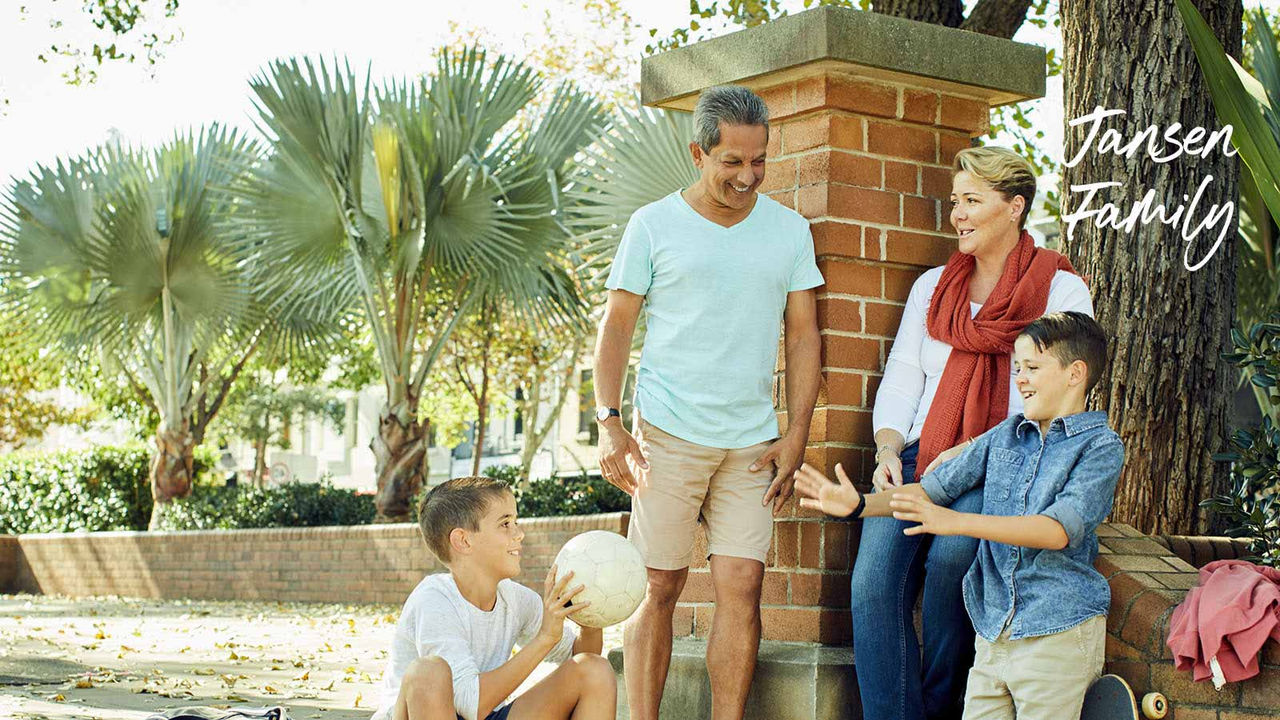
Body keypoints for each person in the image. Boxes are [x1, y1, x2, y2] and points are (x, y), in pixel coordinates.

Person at [593, 84, 823, 720]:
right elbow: (615, 328)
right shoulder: (654, 225)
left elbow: (804, 335)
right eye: (732, 162)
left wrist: (796, 430)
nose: (748, 176)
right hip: (667, 432)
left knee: (742, 586)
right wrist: (610, 424)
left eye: (758, 160)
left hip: (752, 441)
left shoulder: (789, 231)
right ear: (699, 152)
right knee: (657, 584)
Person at [852, 146, 1094, 720]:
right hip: (919, 458)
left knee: (953, 560)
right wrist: (888, 448)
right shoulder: (934, 287)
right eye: (954, 201)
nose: (957, 214)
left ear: (1014, 207)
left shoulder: (1060, 291)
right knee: (871, 584)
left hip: (1004, 465)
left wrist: (976, 448)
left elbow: (1059, 397)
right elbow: (903, 379)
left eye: (972, 201)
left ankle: (940, 708)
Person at [795, 311, 1124, 720]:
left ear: (1076, 373)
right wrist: (861, 506)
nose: (1020, 378)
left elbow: (1057, 530)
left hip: (1056, 631)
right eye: (1017, 367)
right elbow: (930, 491)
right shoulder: (1005, 435)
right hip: (993, 632)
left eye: (1033, 368)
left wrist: (956, 522)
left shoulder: (1100, 447)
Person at [370, 476, 616, 720]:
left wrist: (591, 617)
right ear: (463, 541)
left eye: (515, 521)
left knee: (593, 669)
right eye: (505, 523)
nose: (519, 534)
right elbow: (471, 705)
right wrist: (544, 638)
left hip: (484, 714)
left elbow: (581, 653)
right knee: (427, 672)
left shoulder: (516, 599)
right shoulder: (433, 600)